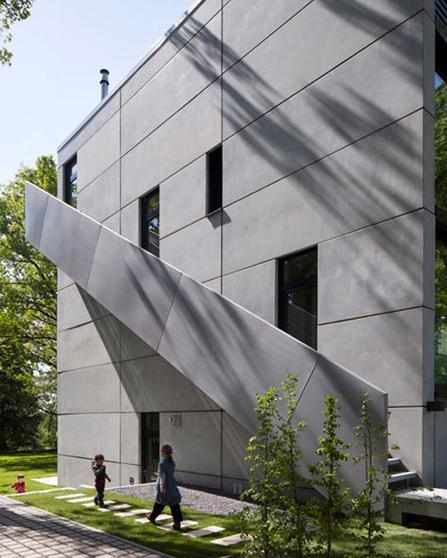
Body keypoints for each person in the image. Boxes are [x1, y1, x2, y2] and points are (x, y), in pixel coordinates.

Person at [147, 444, 183, 530]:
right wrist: (159, 474)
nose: (160, 453)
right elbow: (166, 473)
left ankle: (152, 517)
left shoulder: (162, 463)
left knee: (159, 503)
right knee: (174, 504)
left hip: (165, 485)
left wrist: (162, 486)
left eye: (161, 451)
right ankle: (177, 523)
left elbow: (163, 475)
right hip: (172, 485)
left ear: (163, 452)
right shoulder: (171, 462)